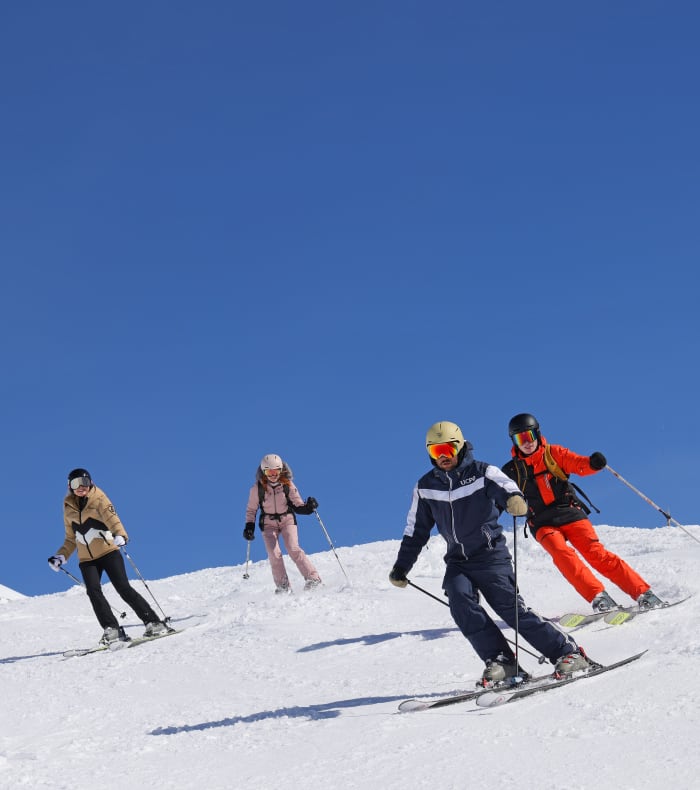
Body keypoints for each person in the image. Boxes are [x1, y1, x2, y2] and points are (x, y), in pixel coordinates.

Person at [389, 421, 592, 685]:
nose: (443, 456)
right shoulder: (426, 487)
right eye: (436, 450)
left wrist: (514, 499)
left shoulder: (483, 472)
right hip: (458, 562)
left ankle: (568, 653)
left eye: (448, 449)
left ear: (460, 446)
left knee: (511, 609)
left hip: (490, 555)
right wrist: (402, 566)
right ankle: (502, 662)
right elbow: (415, 531)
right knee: (460, 603)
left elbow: (507, 487)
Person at [502, 413, 664, 613]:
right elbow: (500, 494)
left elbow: (578, 464)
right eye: (520, 439)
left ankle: (644, 593)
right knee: (561, 554)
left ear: (537, 433)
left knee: (596, 553)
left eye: (529, 436)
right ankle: (599, 598)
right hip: (541, 521)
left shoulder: (554, 453)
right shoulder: (511, 471)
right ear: (514, 442)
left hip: (568, 511)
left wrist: (592, 464)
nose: (527, 443)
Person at [48, 468, 168, 645]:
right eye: (75, 483)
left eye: (84, 482)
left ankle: (153, 622)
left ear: (91, 482)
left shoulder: (99, 498)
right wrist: (61, 556)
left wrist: (120, 535)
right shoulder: (68, 508)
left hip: (108, 552)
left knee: (123, 587)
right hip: (87, 560)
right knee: (93, 592)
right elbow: (71, 538)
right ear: (69, 486)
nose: (81, 487)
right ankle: (112, 630)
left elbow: (112, 519)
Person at [244, 454, 322, 593]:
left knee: (293, 548)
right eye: (269, 472)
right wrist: (249, 526)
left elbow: (298, 505)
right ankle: (283, 586)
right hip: (268, 523)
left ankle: (313, 579)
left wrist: (309, 507)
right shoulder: (257, 488)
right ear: (264, 472)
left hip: (287, 520)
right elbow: (251, 510)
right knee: (274, 554)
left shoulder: (287, 484)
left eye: (276, 471)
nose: (273, 475)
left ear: (281, 470)